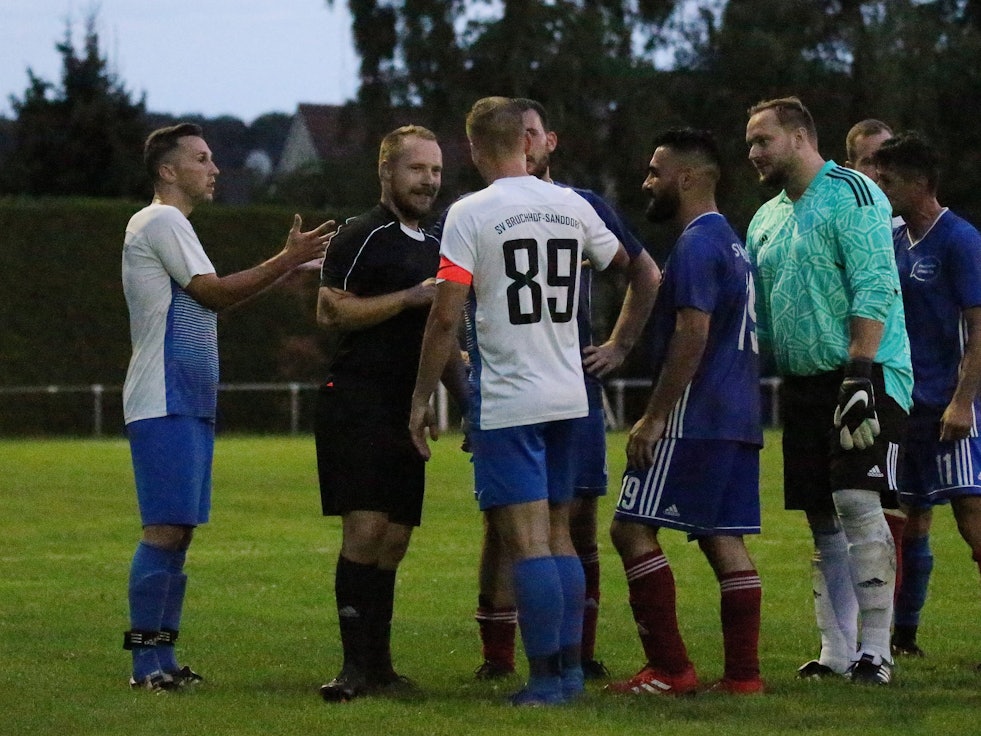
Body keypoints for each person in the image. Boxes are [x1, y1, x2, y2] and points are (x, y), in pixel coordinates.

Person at [409, 96, 630, 706]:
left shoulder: (470, 213)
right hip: (570, 393)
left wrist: (422, 397)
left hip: (509, 397)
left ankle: (546, 681)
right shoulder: (571, 203)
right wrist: (622, 343)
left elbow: (446, 315)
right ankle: (567, 674)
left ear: (476, 149)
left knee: (526, 542)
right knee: (560, 535)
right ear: (527, 145)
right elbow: (638, 270)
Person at [122, 122, 334, 691]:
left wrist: (289, 265)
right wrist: (286, 258)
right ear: (168, 171)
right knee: (163, 531)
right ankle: (144, 664)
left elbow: (215, 298)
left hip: (184, 399)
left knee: (179, 533)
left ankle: (162, 661)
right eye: (202, 158)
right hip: (163, 397)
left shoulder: (171, 226)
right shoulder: (162, 219)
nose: (214, 168)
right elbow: (213, 292)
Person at [472, 98, 660, 681]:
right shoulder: (490, 210)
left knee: (571, 523)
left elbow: (645, 271)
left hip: (556, 386)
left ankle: (569, 658)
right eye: (517, 133)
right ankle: (507, 659)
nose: (525, 143)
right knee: (510, 528)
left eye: (534, 133)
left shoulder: (580, 205)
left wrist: (619, 346)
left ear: (548, 141)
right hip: (527, 387)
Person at [744, 97, 912, 685]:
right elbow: (760, 315)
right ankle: (835, 650)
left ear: (798, 136)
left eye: (762, 140)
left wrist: (860, 374)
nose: (754, 153)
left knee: (859, 504)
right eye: (749, 144)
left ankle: (877, 652)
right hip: (803, 381)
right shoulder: (764, 219)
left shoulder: (856, 195)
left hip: (864, 373)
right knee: (821, 515)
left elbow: (875, 284)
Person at [603, 128, 764, 697]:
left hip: (695, 418)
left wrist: (654, 418)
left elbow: (692, 333)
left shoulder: (695, 245)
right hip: (740, 416)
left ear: (688, 177)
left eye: (655, 171)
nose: (648, 182)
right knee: (724, 539)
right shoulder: (734, 243)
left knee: (630, 530)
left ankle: (671, 670)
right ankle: (743, 678)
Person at [314, 124, 467, 702]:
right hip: (357, 399)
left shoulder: (436, 244)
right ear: (387, 173)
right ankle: (353, 668)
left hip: (411, 409)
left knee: (395, 539)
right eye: (416, 169)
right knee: (366, 529)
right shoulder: (360, 235)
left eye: (434, 170)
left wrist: (468, 404)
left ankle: (379, 666)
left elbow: (445, 332)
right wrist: (408, 297)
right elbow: (330, 312)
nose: (429, 180)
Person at [872, 132, 981, 660]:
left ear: (919, 183)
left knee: (971, 515)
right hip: (908, 405)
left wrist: (964, 401)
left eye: (888, 180)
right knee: (913, 517)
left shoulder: (960, 239)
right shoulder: (894, 240)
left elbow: (980, 325)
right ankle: (905, 635)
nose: (879, 187)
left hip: (952, 407)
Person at [844, 119, 909, 600]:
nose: (880, 172)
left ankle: (888, 635)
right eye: (870, 161)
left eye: (888, 159)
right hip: (876, 376)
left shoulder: (913, 231)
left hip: (912, 381)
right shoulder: (854, 224)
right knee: (884, 501)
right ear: (850, 167)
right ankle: (891, 636)